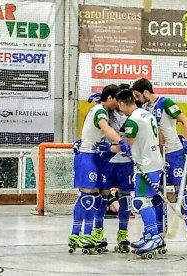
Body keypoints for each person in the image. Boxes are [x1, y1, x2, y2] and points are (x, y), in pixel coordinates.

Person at [131, 78, 187, 257]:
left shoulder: (166, 102)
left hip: (175, 154)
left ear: (146, 92)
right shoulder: (143, 110)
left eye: (138, 95)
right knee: (155, 197)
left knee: (181, 196)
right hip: (156, 157)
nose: (137, 99)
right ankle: (157, 236)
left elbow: (185, 121)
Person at [97, 89, 165, 258]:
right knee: (147, 200)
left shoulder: (132, 120)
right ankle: (150, 236)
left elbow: (127, 142)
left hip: (146, 166)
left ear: (121, 103)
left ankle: (154, 237)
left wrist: (110, 148)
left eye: (119, 107)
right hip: (155, 162)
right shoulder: (146, 114)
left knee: (141, 201)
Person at [68, 84, 131, 254]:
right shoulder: (99, 111)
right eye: (116, 100)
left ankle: (81, 234)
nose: (118, 104)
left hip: (97, 157)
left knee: (95, 196)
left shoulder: (103, 109)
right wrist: (121, 142)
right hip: (87, 155)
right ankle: (81, 234)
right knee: (88, 195)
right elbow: (105, 127)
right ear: (110, 98)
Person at [91, 84, 134, 254]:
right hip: (107, 160)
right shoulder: (106, 110)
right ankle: (98, 232)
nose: (118, 104)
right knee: (103, 195)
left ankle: (123, 235)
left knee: (125, 196)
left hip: (125, 161)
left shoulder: (132, 113)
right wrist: (98, 100)